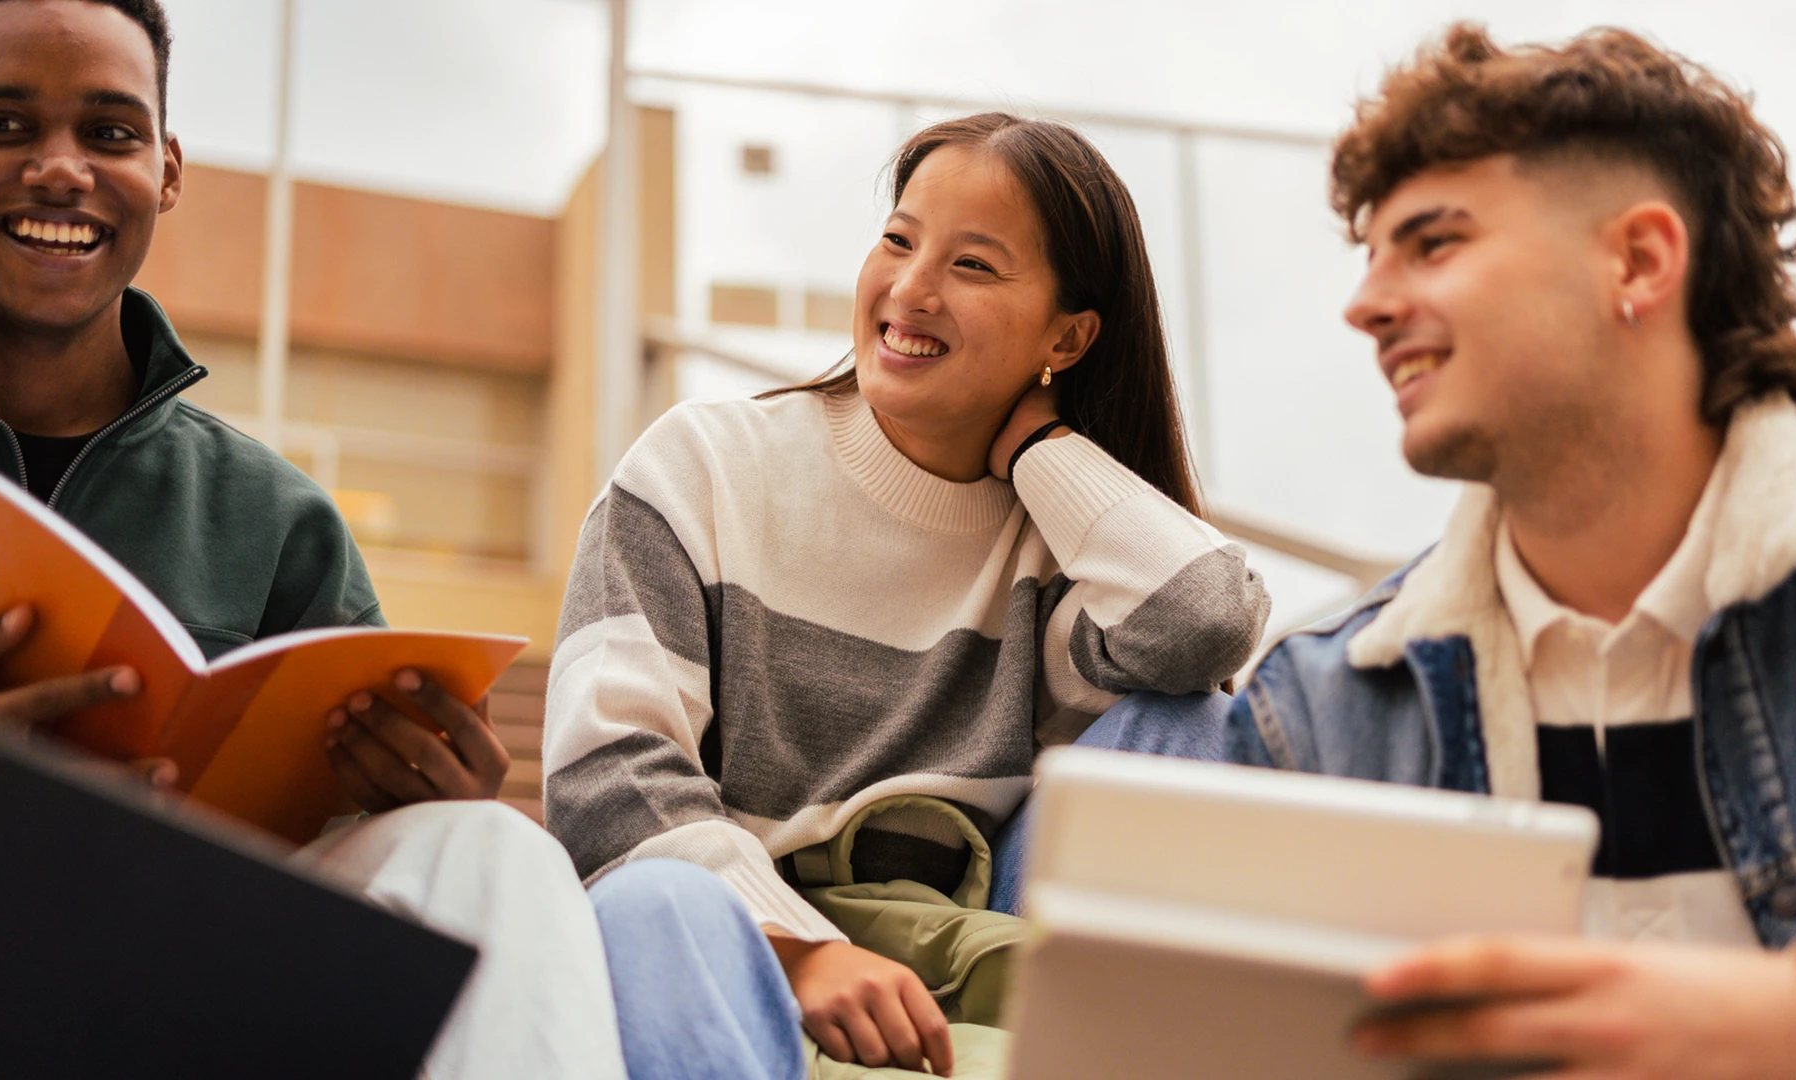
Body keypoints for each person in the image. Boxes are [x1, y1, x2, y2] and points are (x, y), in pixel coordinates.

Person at [1073, 22, 1796, 1080]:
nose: (1365, 305)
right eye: (1372, 258)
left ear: (1639, 261)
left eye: (1434, 242)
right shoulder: (1318, 717)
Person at [544, 111, 1270, 1078]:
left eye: (973, 265)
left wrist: (1041, 455)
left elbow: (1205, 621)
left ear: (1071, 333)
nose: (911, 290)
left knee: (1195, 730)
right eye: (898, 240)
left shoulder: (1065, 548)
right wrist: (803, 950)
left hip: (982, 950)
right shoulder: (703, 463)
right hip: (746, 954)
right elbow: (608, 774)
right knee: (649, 906)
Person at [0, 3, 623, 1077]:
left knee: (494, 851)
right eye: (5, 125)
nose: (60, 170)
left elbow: (357, 841)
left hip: (197, 985)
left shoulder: (272, 516)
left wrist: (431, 784)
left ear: (168, 169)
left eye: (109, 133)